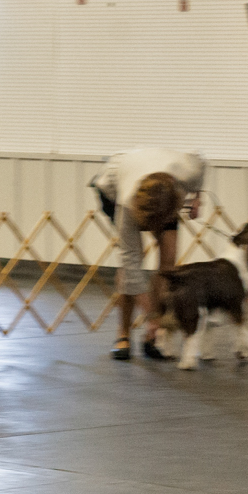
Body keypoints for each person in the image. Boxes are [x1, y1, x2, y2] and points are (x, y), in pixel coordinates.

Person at [91, 147, 204, 361]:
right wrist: (151, 315)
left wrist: (198, 198)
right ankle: (123, 334)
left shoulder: (185, 174)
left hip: (163, 189)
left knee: (168, 263)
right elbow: (132, 265)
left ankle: (152, 336)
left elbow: (201, 162)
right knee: (131, 265)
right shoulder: (126, 204)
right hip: (115, 189)